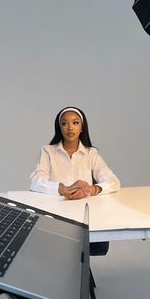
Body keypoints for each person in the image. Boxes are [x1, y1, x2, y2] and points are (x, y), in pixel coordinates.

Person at [29, 106, 121, 255]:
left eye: (75, 123)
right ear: (59, 127)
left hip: (84, 217)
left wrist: (91, 189)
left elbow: (113, 181)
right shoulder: (47, 151)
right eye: (64, 123)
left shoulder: (91, 153)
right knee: (68, 251)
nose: (70, 127)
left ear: (81, 127)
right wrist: (63, 189)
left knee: (96, 247)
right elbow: (36, 181)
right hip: (56, 217)